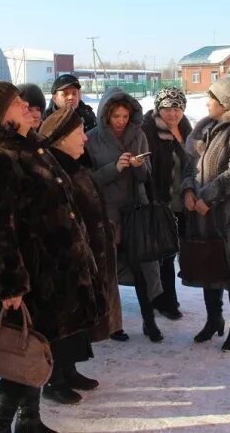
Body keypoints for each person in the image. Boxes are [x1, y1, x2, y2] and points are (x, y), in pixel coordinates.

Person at [0, 81, 102, 432]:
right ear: (1, 116)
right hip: (30, 278)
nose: (28, 107)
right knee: (21, 355)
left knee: (40, 349)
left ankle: (30, 420)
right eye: (18, 103)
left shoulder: (32, 149)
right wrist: (10, 285)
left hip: (55, 272)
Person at [38, 107, 121, 405]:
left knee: (76, 319)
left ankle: (69, 369)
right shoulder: (52, 170)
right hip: (65, 260)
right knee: (62, 319)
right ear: (61, 139)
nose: (85, 138)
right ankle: (54, 378)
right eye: (78, 133)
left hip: (85, 255)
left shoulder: (72, 165)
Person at [182, 76, 230, 352]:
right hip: (202, 212)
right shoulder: (204, 128)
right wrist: (188, 190)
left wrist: (207, 197)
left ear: (225, 102)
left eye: (211, 98)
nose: (207, 102)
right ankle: (214, 319)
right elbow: (190, 166)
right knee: (208, 262)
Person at [85, 87, 162, 343]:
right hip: (107, 213)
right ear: (106, 115)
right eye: (116, 116)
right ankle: (112, 323)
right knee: (107, 270)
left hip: (135, 212)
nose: (121, 121)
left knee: (143, 267)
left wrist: (140, 167)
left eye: (125, 116)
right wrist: (114, 168)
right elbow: (87, 181)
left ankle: (149, 321)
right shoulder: (91, 139)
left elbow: (147, 175)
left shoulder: (138, 135)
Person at [141, 87, 193, 321]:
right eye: (166, 109)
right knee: (164, 254)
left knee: (173, 251)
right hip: (159, 201)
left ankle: (163, 298)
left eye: (176, 108)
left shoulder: (186, 129)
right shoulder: (148, 130)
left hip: (181, 202)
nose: (172, 114)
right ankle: (165, 301)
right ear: (157, 108)